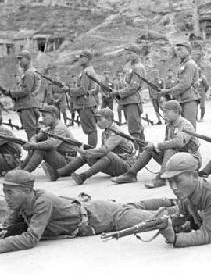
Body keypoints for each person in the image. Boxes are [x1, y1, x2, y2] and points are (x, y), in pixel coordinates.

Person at [0, 170, 176, 254]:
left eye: (10, 192)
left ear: (27, 191)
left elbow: (31, 238)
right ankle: (170, 201)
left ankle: (184, 209)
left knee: (155, 220)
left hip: (105, 217)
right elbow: (8, 225)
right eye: (5, 191)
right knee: (133, 206)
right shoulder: (22, 203)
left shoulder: (42, 201)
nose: (6, 197)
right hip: (94, 209)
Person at [112, 100, 201, 189]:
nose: (164, 115)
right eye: (163, 112)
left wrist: (157, 146)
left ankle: (161, 178)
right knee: (150, 149)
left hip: (191, 160)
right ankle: (131, 174)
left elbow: (179, 142)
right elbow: (167, 141)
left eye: (166, 112)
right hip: (175, 159)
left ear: (176, 112)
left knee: (168, 148)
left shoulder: (186, 125)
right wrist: (153, 147)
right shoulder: (169, 124)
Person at [53, 108, 135, 185]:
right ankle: (59, 173)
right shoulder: (105, 132)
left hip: (125, 167)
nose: (97, 123)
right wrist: (86, 151)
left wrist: (86, 152)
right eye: (97, 120)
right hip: (115, 164)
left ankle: (84, 176)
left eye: (100, 120)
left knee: (105, 154)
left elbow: (104, 150)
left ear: (109, 119)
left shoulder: (116, 132)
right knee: (85, 156)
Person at [19, 106, 74, 180]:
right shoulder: (50, 128)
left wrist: (33, 145)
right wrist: (33, 143)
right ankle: (21, 169)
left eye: (44, 116)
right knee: (38, 146)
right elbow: (35, 137)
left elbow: (52, 144)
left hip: (69, 164)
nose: (42, 119)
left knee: (41, 149)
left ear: (53, 115)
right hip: (61, 159)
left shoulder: (60, 127)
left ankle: (24, 173)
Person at [159, 43, 200, 129]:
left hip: (189, 99)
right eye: (177, 50)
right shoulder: (182, 64)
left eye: (180, 49)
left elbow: (185, 84)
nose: (178, 52)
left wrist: (168, 91)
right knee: (180, 128)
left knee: (189, 128)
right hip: (182, 99)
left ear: (188, 50)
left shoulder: (190, 64)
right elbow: (179, 82)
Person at [3, 50, 40, 140]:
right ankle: (39, 151)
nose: (19, 62)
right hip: (30, 104)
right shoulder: (31, 72)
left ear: (28, 59)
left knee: (30, 130)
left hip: (27, 105)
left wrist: (10, 93)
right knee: (35, 130)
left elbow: (26, 90)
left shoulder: (29, 73)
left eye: (21, 59)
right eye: (18, 59)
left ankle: (34, 151)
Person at [111, 54, 146, 145]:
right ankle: (143, 150)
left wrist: (118, 93)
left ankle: (138, 152)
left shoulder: (138, 67)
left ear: (136, 53)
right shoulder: (132, 67)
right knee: (136, 127)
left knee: (134, 129)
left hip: (133, 101)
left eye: (130, 52)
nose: (128, 55)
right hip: (128, 101)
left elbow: (134, 87)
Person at [68, 50, 99, 147]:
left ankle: (91, 152)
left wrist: (68, 90)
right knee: (91, 129)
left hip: (86, 104)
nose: (80, 59)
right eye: (79, 57)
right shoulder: (87, 70)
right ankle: (91, 151)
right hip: (86, 103)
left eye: (82, 57)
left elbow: (82, 90)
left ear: (88, 59)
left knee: (91, 130)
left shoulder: (87, 71)